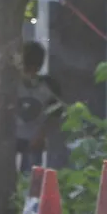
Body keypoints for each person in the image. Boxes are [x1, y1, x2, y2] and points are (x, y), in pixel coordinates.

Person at [16, 40, 65, 174]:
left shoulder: (48, 86)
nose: (30, 73)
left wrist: (42, 134)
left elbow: (55, 114)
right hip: (11, 138)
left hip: (34, 139)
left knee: (31, 180)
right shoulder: (12, 83)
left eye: (34, 68)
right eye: (27, 69)